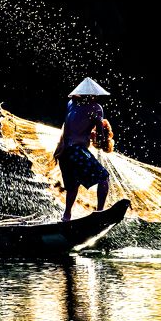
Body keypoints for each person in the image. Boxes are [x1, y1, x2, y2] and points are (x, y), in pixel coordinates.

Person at [55, 77, 111, 222]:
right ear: (92, 95)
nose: (96, 97)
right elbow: (99, 136)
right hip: (77, 150)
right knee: (104, 177)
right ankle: (100, 213)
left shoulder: (70, 103)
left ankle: (66, 217)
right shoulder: (96, 107)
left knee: (73, 186)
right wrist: (103, 137)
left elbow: (71, 126)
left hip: (64, 153)